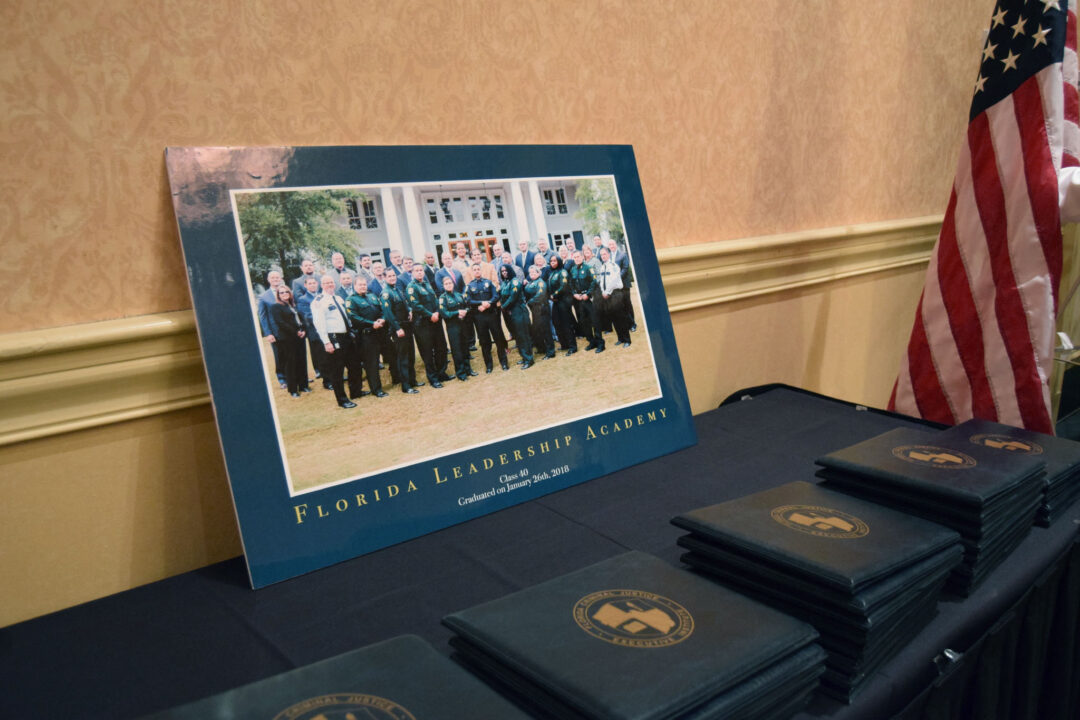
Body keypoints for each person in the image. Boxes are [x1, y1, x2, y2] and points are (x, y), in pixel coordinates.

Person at [311, 275, 358, 408]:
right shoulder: (318, 302)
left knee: (354, 365)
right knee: (337, 370)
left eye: (331, 282)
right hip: (333, 338)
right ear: (322, 285)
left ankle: (355, 392)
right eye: (326, 283)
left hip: (346, 336)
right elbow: (319, 324)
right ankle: (342, 400)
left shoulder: (338, 298)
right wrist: (326, 342)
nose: (330, 285)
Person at [344, 277, 389, 398]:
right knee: (372, 363)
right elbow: (354, 317)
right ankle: (376, 389)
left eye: (364, 284)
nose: (363, 286)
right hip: (367, 335)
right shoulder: (351, 300)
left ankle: (397, 378)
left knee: (391, 355)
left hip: (380, 332)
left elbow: (382, 309)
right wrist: (371, 324)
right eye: (360, 285)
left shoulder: (372, 296)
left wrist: (382, 319)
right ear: (354, 286)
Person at [407, 264, 450, 388]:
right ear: (412, 273)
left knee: (441, 347)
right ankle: (433, 378)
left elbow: (435, 299)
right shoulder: (411, 287)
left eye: (421, 270)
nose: (419, 272)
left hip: (435, 320)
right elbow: (416, 305)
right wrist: (430, 315)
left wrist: (436, 312)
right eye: (417, 271)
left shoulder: (427, 284)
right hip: (423, 324)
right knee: (427, 351)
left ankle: (441, 373)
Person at [380, 268, 422, 394]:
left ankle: (412, 380)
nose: (392, 278)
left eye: (394, 275)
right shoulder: (386, 293)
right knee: (403, 357)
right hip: (399, 328)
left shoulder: (397, 289)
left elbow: (405, 304)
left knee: (411, 355)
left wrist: (409, 310)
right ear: (384, 278)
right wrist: (397, 328)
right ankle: (406, 385)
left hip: (407, 326)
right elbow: (388, 314)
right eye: (389, 276)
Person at [268, 285, 311, 397]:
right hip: (287, 339)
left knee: (301, 361)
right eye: (281, 292)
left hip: (299, 337)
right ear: (278, 295)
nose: (284, 294)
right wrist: (296, 331)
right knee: (290, 363)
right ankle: (293, 389)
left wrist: (303, 330)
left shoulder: (293, 305)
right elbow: (281, 323)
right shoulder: (276, 307)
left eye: (286, 291)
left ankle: (303, 385)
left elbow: (302, 320)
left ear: (290, 293)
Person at [466, 263, 508, 372]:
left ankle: (504, 362)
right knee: (485, 342)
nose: (477, 271)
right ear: (472, 272)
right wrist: (481, 303)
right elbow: (468, 300)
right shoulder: (470, 286)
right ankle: (489, 366)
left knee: (498, 339)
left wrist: (488, 303)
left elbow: (496, 295)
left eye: (478, 269)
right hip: (479, 317)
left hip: (491, 315)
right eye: (474, 269)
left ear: (481, 270)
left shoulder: (488, 282)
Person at [438, 276, 478, 381]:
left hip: (463, 325)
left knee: (465, 348)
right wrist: (457, 313)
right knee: (457, 350)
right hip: (453, 327)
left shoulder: (459, 295)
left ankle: (468, 370)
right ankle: (461, 373)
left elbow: (467, 306)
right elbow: (444, 313)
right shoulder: (442, 298)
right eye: (446, 284)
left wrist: (465, 311)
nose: (448, 285)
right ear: (443, 286)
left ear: (453, 284)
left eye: (450, 283)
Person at [498, 263, 534, 369]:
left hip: (518, 311)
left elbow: (512, 297)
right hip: (510, 312)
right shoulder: (505, 283)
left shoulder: (515, 282)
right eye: (502, 271)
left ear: (510, 270)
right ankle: (524, 356)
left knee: (523, 335)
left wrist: (503, 306)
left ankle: (529, 359)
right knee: (517, 336)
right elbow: (502, 296)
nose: (504, 273)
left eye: (506, 270)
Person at [569, 250, 604, 353]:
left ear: (582, 257)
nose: (577, 259)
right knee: (584, 322)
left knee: (595, 321)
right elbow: (571, 283)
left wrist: (588, 294)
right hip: (579, 299)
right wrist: (574, 294)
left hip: (589, 298)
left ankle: (600, 343)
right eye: (575, 257)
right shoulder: (573, 269)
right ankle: (591, 341)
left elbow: (594, 281)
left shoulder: (588, 268)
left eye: (578, 256)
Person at [296, 276, 328, 389]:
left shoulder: (323, 296)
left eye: (314, 283)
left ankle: (333, 376)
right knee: (321, 357)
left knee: (329, 355)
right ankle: (327, 381)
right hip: (315, 331)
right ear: (305, 285)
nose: (313, 285)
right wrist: (325, 320)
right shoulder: (303, 299)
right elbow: (307, 316)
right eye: (310, 283)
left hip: (327, 329)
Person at [256, 269, 287, 388]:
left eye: (277, 277)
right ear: (268, 280)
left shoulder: (286, 292)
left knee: (292, 354)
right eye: (273, 278)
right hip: (275, 332)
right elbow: (263, 317)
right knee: (279, 356)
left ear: (281, 278)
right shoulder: (263, 297)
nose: (275, 279)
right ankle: (282, 379)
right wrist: (268, 333)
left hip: (289, 330)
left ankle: (296, 376)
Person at [598, 248, 631, 347]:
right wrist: (603, 291)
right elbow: (601, 281)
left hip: (615, 294)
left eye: (604, 254)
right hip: (607, 295)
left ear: (608, 254)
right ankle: (620, 338)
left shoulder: (614, 266)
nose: (603, 256)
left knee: (621, 318)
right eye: (601, 255)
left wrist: (607, 292)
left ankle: (627, 340)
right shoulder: (602, 267)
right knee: (614, 318)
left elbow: (613, 281)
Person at [524, 265, 556, 359]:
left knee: (546, 330)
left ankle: (551, 351)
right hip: (535, 310)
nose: (532, 274)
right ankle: (542, 348)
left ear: (539, 273)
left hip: (542, 308)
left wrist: (530, 301)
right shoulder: (530, 283)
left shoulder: (541, 282)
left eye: (534, 272)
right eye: (530, 272)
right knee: (537, 329)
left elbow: (540, 295)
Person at [547, 255, 577, 354]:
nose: (552, 262)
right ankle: (564, 344)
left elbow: (564, 286)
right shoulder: (552, 273)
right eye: (551, 261)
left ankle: (572, 346)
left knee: (566, 323)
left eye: (554, 261)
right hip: (556, 301)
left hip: (564, 300)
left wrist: (554, 295)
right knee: (556, 322)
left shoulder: (563, 272)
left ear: (559, 262)